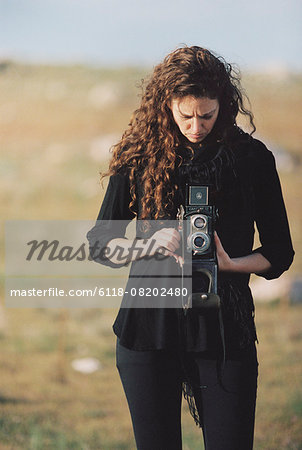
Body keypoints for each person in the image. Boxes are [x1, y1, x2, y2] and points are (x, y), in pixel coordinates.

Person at [87, 46, 294, 450]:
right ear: (167, 105)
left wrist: (231, 264)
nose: (196, 126)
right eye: (185, 116)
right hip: (147, 328)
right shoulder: (139, 156)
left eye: (207, 115)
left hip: (223, 330)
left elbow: (280, 253)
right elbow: (100, 244)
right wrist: (144, 247)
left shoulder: (253, 159)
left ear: (224, 104)